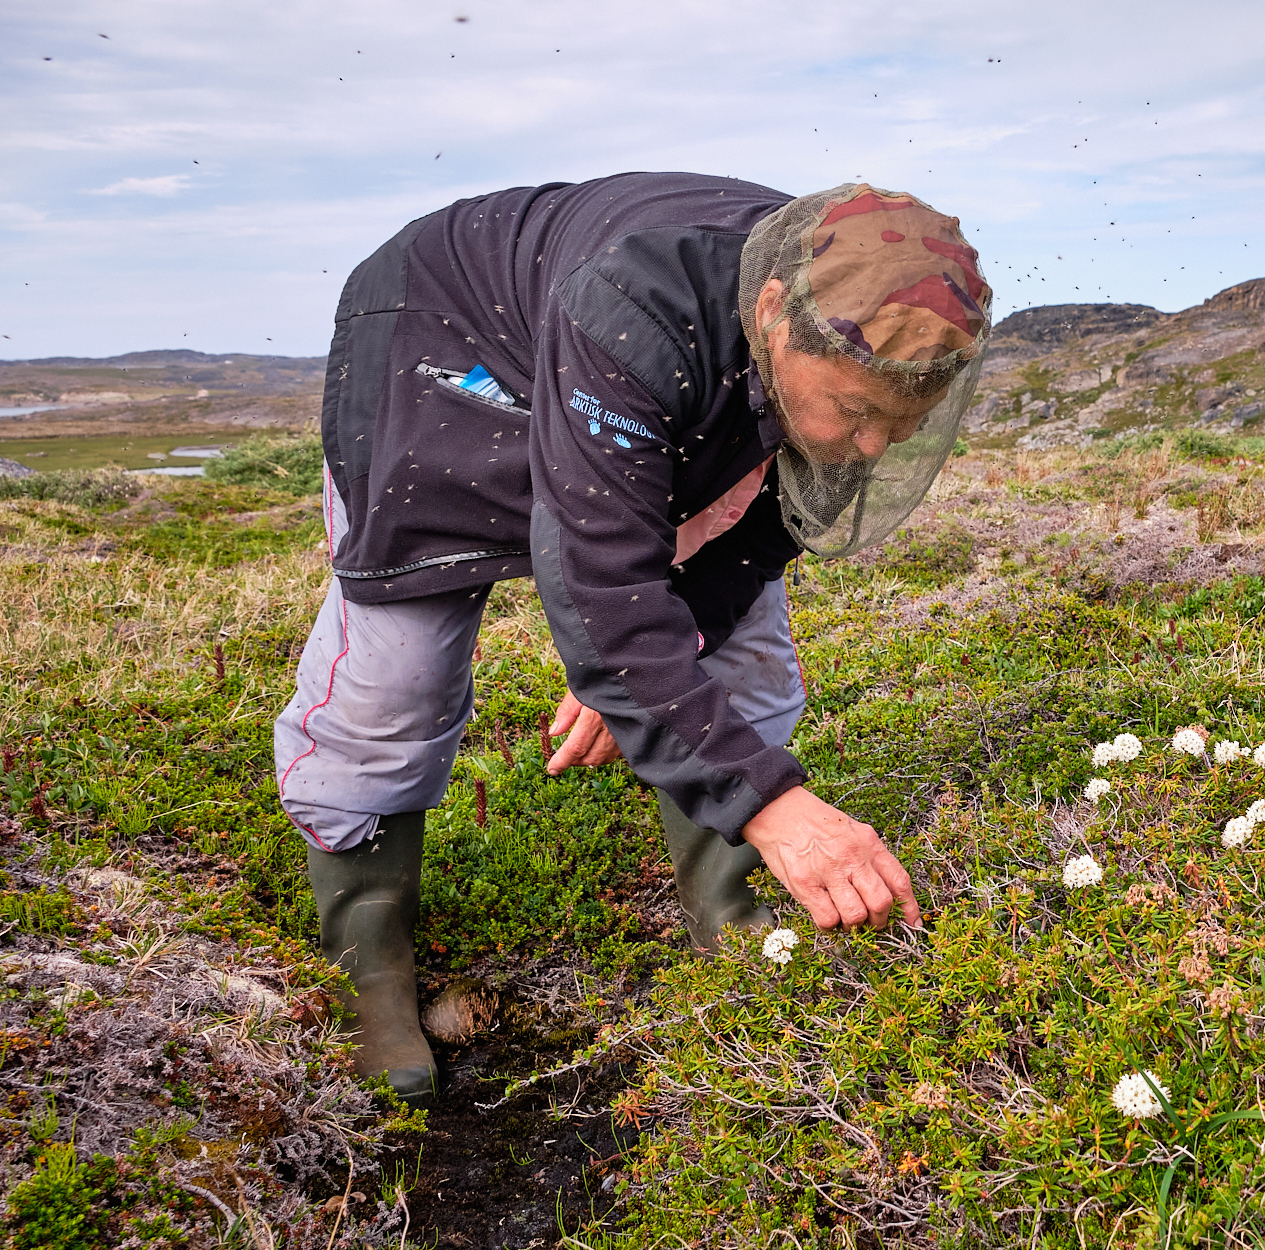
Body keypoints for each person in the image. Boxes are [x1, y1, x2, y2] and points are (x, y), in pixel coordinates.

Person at [273, 176, 990, 1100]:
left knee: (743, 661)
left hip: (660, 382)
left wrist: (655, 658)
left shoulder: (865, 317)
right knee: (398, 674)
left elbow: (764, 531)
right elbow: (602, 582)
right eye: (855, 414)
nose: (868, 450)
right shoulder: (640, 310)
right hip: (443, 340)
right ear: (772, 315)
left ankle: (732, 919)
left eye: (901, 425)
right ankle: (367, 953)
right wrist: (767, 793)